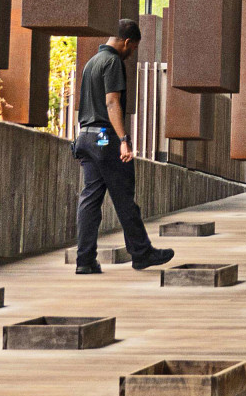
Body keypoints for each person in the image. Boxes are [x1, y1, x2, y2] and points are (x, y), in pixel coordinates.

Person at [71, 19, 173, 275]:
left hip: (85, 137)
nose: (131, 53)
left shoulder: (91, 63)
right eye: (133, 48)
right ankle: (141, 253)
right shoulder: (113, 62)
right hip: (105, 138)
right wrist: (124, 140)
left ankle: (85, 260)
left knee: (90, 199)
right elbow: (112, 102)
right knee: (124, 197)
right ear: (127, 42)